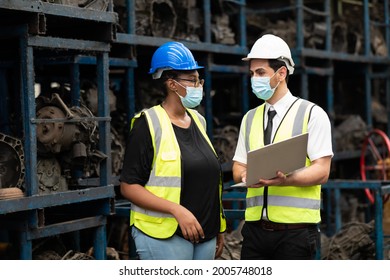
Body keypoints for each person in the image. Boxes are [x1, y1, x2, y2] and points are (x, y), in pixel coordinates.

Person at [120, 41, 226, 260]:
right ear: (171, 84)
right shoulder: (147, 123)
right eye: (193, 80)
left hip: (205, 233)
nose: (199, 86)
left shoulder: (198, 120)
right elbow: (129, 186)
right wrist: (177, 210)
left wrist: (219, 226)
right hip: (164, 235)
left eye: (200, 80)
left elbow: (208, 179)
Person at [232, 34, 333, 260]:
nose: (254, 79)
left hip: (295, 233)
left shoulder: (312, 114)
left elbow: (322, 170)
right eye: (252, 73)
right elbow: (238, 165)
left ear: (282, 73)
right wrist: (247, 175)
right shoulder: (249, 118)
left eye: (260, 73)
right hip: (254, 231)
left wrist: (286, 180)